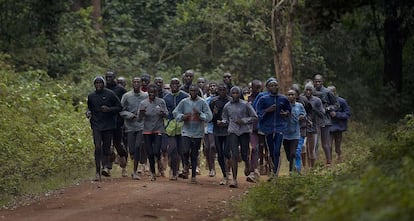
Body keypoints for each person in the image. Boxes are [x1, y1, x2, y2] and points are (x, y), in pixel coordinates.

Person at [173, 84, 213, 184]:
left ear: (198, 92)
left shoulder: (202, 102)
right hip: (186, 131)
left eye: (195, 91)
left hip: (197, 132)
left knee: (194, 154)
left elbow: (209, 116)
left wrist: (200, 115)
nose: (193, 93)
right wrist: (182, 117)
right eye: (191, 91)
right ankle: (186, 164)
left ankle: (194, 176)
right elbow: (175, 112)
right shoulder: (184, 102)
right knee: (185, 150)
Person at [86, 76, 122, 181]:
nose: (98, 85)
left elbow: (119, 107)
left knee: (106, 148)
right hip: (96, 125)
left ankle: (106, 165)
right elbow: (89, 107)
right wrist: (88, 112)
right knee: (97, 147)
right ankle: (97, 172)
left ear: (103, 84)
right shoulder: (91, 96)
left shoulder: (110, 94)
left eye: (100, 83)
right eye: (96, 83)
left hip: (108, 125)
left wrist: (109, 109)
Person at [222, 86, 258, 188]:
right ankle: (234, 179)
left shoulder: (245, 105)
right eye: (233, 93)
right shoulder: (227, 106)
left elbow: (254, 117)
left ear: (240, 94)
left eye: (237, 93)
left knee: (244, 153)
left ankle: (247, 163)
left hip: (244, 131)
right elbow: (225, 118)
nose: (235, 95)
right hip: (232, 131)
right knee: (234, 154)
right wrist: (222, 122)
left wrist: (244, 120)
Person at [256, 79, 291, 179]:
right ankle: (272, 170)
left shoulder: (283, 99)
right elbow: (258, 113)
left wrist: (286, 114)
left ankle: (275, 173)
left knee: (277, 151)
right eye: (271, 85)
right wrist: (268, 110)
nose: (274, 87)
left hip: (280, 127)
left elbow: (289, 110)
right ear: (267, 88)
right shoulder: (263, 99)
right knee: (271, 151)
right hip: (267, 128)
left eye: (275, 85)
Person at [120, 77, 148, 180]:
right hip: (130, 127)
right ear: (132, 83)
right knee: (131, 149)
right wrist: (129, 115)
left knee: (137, 147)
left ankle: (135, 171)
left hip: (141, 126)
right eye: (134, 82)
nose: (136, 83)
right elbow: (121, 110)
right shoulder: (127, 96)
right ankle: (133, 158)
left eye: (138, 82)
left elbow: (150, 107)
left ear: (141, 84)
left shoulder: (146, 96)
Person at [138, 84, 168, 181]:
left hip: (158, 129)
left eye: (154, 92)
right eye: (150, 92)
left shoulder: (161, 102)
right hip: (147, 130)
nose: (152, 94)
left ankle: (159, 160)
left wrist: (162, 113)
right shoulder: (143, 103)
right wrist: (142, 113)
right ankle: (153, 172)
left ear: (157, 93)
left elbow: (167, 115)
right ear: (148, 93)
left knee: (156, 151)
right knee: (150, 153)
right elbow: (139, 119)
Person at [163, 78, 189, 180]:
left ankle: (185, 168)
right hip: (171, 127)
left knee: (183, 150)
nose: (174, 86)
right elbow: (165, 112)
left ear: (179, 85)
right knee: (173, 149)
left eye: (176, 84)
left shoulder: (185, 97)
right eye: (172, 84)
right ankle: (174, 173)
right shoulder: (166, 98)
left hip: (183, 126)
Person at [105, 71, 128, 177]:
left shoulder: (120, 89)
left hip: (118, 121)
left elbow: (125, 105)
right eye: (107, 77)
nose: (108, 78)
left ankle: (123, 159)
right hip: (105, 122)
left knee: (118, 144)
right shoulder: (102, 88)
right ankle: (107, 168)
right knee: (107, 145)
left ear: (114, 77)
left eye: (110, 77)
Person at [313, 74, 339, 166]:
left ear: (322, 82)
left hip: (325, 120)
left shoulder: (327, 92)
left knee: (325, 143)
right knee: (314, 143)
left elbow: (336, 104)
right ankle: (313, 163)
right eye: (316, 81)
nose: (317, 83)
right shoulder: (311, 91)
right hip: (314, 120)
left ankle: (329, 162)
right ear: (314, 82)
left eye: (319, 81)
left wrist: (328, 109)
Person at [209, 83, 232, 185]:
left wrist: (226, 122)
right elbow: (209, 118)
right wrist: (214, 114)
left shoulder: (231, 101)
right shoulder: (214, 101)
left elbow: (234, 116)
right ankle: (224, 175)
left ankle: (230, 171)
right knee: (220, 154)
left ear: (227, 90)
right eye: (220, 90)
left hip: (228, 130)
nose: (222, 92)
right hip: (217, 131)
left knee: (227, 152)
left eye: (224, 90)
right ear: (217, 91)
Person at [283, 89, 306, 174]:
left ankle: (291, 171)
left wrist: (301, 116)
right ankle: (292, 166)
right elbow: (280, 114)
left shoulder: (299, 105)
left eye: (292, 95)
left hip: (295, 134)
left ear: (296, 96)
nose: (291, 96)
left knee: (293, 153)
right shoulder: (284, 105)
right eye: (289, 95)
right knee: (289, 156)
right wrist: (284, 114)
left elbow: (303, 113)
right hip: (285, 134)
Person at [303, 83, 325, 168]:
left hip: (313, 128)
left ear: (313, 91)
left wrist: (313, 108)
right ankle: (305, 167)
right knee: (303, 147)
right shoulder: (301, 99)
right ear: (304, 90)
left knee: (311, 150)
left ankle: (311, 169)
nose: (308, 92)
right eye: (307, 90)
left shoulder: (317, 100)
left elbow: (322, 114)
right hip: (303, 127)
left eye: (310, 90)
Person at [327, 85, 351, 162]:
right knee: (328, 145)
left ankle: (339, 157)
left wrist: (337, 114)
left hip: (339, 127)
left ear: (335, 92)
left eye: (331, 92)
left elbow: (347, 114)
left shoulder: (342, 101)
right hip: (328, 126)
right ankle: (329, 161)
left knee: (337, 145)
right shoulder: (325, 102)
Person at [247, 79, 263, 182]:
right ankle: (253, 170)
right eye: (255, 87)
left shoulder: (264, 98)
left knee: (265, 151)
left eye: (259, 87)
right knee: (254, 148)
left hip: (263, 128)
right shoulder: (247, 99)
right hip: (251, 128)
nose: (257, 89)